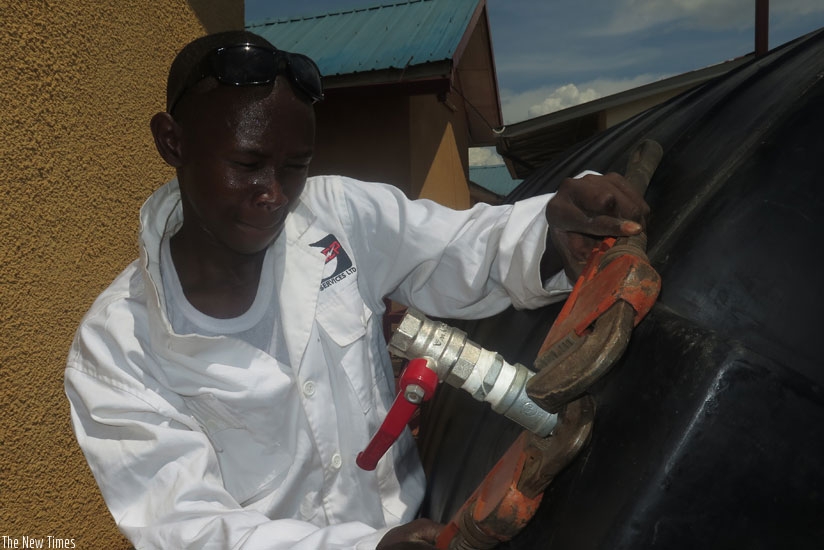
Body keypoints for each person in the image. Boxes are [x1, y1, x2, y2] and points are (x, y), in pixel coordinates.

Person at [65, 30, 649, 550]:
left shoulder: (336, 218)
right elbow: (188, 528)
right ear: (172, 142)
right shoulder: (117, 349)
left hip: (422, 525)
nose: (274, 194)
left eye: (294, 166)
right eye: (246, 164)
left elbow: (461, 248)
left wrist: (552, 227)